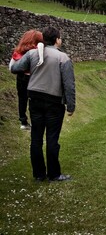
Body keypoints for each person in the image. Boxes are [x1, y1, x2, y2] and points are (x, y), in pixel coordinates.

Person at [10, 26, 76, 181]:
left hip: (34, 100)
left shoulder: (32, 54)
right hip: (53, 102)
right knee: (52, 138)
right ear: (57, 39)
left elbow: (15, 68)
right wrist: (71, 106)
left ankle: (39, 174)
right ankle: (54, 174)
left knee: (36, 138)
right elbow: (69, 85)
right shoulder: (63, 58)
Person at [8, 30, 44, 130]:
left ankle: (23, 121)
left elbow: (11, 67)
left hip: (21, 78)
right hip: (34, 78)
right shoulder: (38, 52)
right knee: (34, 100)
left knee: (22, 99)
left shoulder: (18, 51)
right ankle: (35, 122)